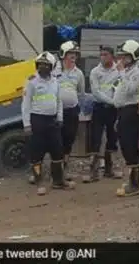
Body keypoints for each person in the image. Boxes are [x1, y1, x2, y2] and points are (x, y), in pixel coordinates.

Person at [22, 51, 75, 195]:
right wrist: (27, 124)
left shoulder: (55, 81)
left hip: (53, 121)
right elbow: (25, 105)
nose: (43, 67)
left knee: (57, 151)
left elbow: (58, 101)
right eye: (41, 65)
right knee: (36, 153)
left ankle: (58, 181)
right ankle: (39, 182)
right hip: (37, 120)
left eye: (46, 65)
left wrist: (60, 118)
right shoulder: (31, 81)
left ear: (52, 67)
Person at [112, 39, 139, 197]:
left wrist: (120, 73)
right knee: (124, 145)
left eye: (125, 56)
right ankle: (133, 179)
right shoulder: (127, 71)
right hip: (122, 110)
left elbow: (130, 90)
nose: (122, 59)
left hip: (131, 110)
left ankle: (135, 183)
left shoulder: (138, 72)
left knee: (130, 144)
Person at [82, 46, 122, 183]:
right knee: (96, 137)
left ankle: (109, 168)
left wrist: (116, 102)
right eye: (101, 55)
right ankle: (93, 170)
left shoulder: (118, 71)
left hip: (114, 110)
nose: (103, 57)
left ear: (112, 56)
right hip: (99, 107)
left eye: (106, 54)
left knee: (112, 136)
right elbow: (96, 92)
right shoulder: (95, 72)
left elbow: (121, 86)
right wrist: (112, 101)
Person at [55, 40, 86, 180]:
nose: (74, 57)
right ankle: (55, 169)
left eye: (75, 54)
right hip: (56, 112)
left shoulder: (78, 73)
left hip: (72, 111)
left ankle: (63, 168)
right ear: (63, 55)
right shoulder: (54, 70)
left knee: (69, 139)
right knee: (57, 140)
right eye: (71, 54)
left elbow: (81, 93)